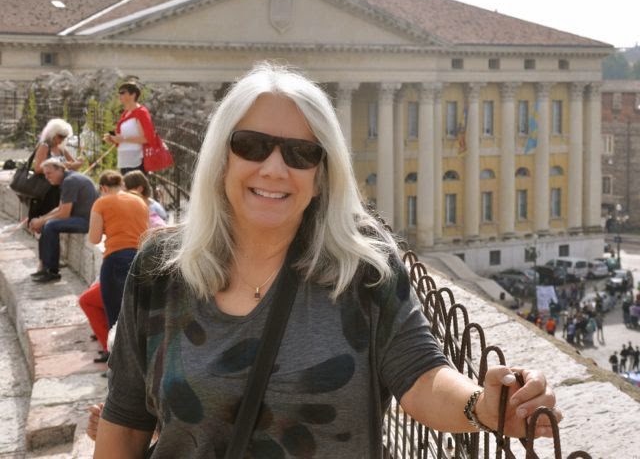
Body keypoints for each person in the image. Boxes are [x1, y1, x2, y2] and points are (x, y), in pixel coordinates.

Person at [94, 63, 558, 457]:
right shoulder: (161, 268)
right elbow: (126, 419)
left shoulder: (362, 265)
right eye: (251, 145)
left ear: (321, 175)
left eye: (301, 153)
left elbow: (421, 376)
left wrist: (483, 406)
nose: (274, 168)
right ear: (222, 157)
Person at [88, 170, 149, 352]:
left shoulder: (102, 202)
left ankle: (118, 358)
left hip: (116, 259)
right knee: (137, 311)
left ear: (103, 188)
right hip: (141, 258)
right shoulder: (139, 201)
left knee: (115, 313)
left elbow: (94, 238)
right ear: (121, 184)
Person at [28, 159, 98, 282]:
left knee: (50, 226)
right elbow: (60, 208)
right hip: (81, 218)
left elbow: (64, 213)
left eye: (49, 173)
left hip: (87, 221)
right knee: (46, 224)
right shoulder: (68, 179)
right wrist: (41, 219)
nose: (47, 177)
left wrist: (41, 221)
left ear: (60, 169)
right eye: (45, 174)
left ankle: (52, 271)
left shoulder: (70, 181)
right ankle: (44, 267)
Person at [28, 118, 84, 223]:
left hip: (60, 189)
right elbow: (38, 168)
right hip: (47, 190)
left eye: (64, 137)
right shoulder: (44, 147)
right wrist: (59, 166)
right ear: (53, 134)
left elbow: (72, 165)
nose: (62, 139)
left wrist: (78, 163)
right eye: (60, 136)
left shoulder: (61, 149)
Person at [102, 80, 155, 175]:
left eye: (123, 92)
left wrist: (123, 139)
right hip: (125, 160)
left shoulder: (141, 112)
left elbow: (147, 138)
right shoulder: (126, 113)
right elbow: (123, 135)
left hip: (136, 161)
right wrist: (112, 138)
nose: (119, 95)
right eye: (119, 93)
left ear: (133, 95)